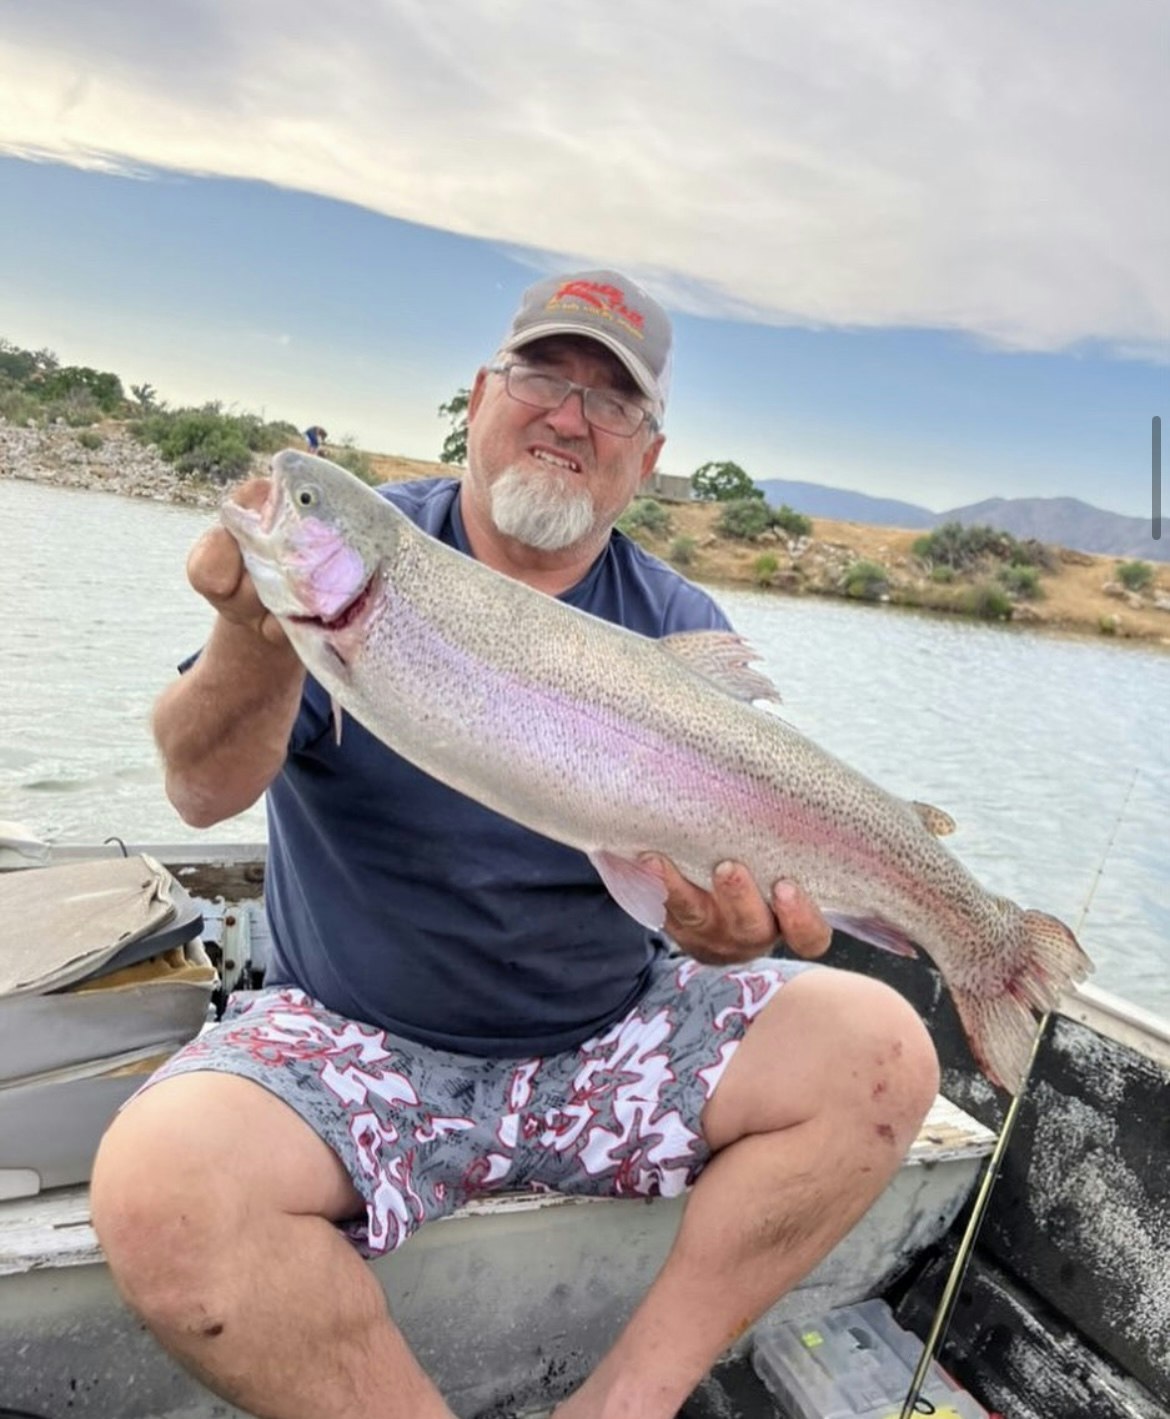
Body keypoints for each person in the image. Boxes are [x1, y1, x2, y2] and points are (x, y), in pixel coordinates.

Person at [91, 269, 939, 1419]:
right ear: (481, 399)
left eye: (613, 403)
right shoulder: (368, 553)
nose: (569, 416)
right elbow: (200, 794)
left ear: (645, 457)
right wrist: (254, 636)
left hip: (607, 1045)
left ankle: (620, 1405)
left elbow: (717, 901)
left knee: (885, 1051)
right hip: (355, 1051)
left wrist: (728, 937)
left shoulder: (682, 625)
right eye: (543, 376)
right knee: (160, 1190)